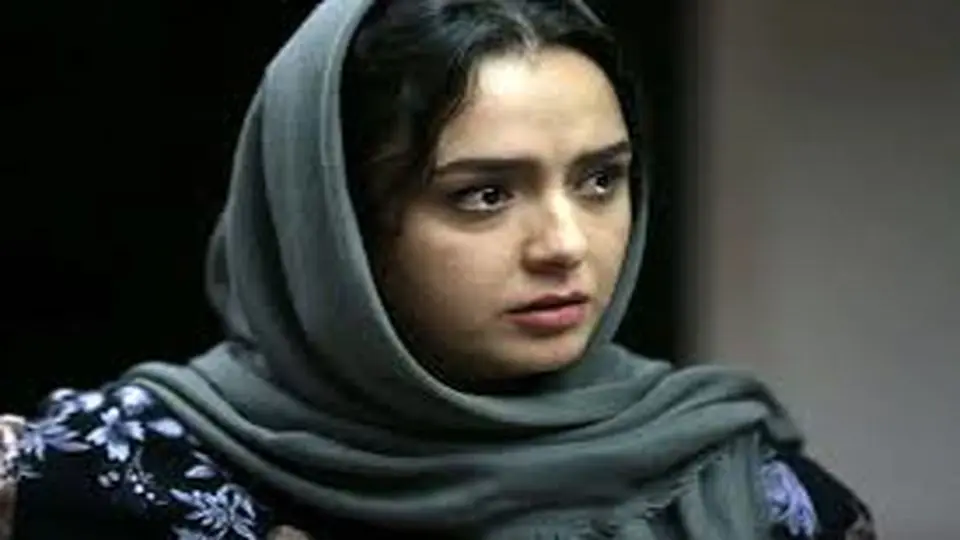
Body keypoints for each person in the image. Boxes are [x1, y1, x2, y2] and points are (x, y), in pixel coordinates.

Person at [0, 0, 877, 538]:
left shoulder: (747, 487)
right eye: (484, 195)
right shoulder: (104, 477)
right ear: (333, 218)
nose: (565, 244)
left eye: (599, 181)